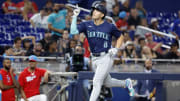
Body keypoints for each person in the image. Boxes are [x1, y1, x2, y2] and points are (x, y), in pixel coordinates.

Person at [70, 3, 134, 101]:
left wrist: (116, 48)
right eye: (94, 10)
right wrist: (74, 17)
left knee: (96, 82)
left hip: (106, 57)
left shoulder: (109, 26)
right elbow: (73, 31)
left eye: (97, 10)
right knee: (107, 83)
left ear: (102, 15)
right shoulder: (86, 24)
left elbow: (120, 36)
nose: (94, 12)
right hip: (94, 58)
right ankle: (126, 83)